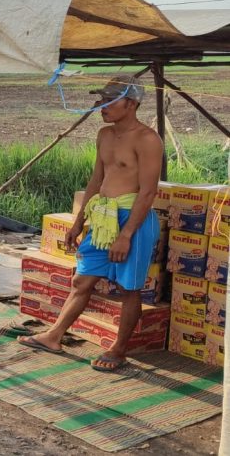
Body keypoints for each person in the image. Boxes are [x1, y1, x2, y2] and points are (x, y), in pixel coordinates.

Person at [18, 76, 162, 372]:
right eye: (100, 100)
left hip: (132, 222)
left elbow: (148, 192)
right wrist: (78, 222)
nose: (101, 106)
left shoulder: (148, 139)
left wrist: (126, 235)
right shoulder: (104, 135)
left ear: (131, 104)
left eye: (109, 101)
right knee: (82, 280)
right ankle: (54, 335)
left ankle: (119, 350)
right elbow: (96, 180)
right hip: (102, 218)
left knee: (129, 289)